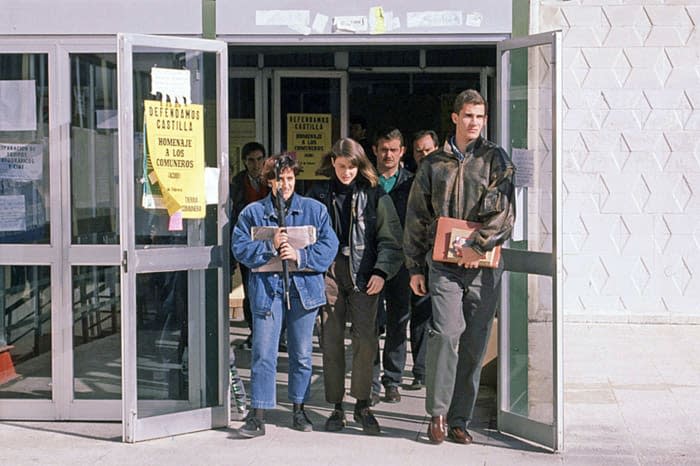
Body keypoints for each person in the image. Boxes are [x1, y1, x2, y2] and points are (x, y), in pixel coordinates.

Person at [404, 89, 515, 445]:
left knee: (474, 342)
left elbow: (506, 214)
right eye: (468, 115)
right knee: (447, 333)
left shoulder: (496, 159)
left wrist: (478, 246)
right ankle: (437, 411)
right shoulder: (433, 163)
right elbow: (417, 218)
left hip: (483, 265)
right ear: (455, 117)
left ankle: (459, 418)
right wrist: (415, 268)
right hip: (443, 266)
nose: (474, 123)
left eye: (480, 117)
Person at [231, 153, 339, 438]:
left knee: (302, 354)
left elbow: (330, 246)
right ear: (270, 182)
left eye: (290, 178)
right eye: (280, 179)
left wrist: (301, 256)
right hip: (268, 291)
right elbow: (239, 247)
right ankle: (259, 413)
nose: (286, 184)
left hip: (303, 291)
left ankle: (299, 408)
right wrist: (269, 246)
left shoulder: (315, 210)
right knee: (264, 352)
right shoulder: (251, 213)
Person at [306, 138, 403, 435]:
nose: (346, 172)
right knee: (331, 339)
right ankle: (336, 406)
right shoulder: (318, 194)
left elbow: (392, 240)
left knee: (365, 340)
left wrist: (381, 272)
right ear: (332, 163)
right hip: (329, 271)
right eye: (341, 166)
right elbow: (306, 234)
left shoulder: (375, 195)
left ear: (360, 165)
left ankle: (363, 403)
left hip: (364, 272)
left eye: (351, 166)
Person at [370, 127, 413, 404]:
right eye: (384, 149)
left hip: (404, 261)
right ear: (375, 150)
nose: (388, 155)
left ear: (402, 152)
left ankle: (392, 379)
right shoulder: (365, 180)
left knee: (399, 320)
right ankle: (371, 381)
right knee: (370, 323)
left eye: (393, 150)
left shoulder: (413, 182)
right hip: (370, 260)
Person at [404, 129, 440, 391]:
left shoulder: (448, 178)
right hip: (419, 257)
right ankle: (420, 370)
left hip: (446, 258)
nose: (424, 154)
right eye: (419, 150)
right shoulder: (409, 184)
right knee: (419, 314)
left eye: (428, 149)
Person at [230, 142, 269, 349]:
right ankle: (254, 333)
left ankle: (275, 335)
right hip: (249, 245)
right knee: (250, 289)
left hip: (271, 243)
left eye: (259, 159)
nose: (256, 164)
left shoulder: (271, 181)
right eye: (251, 160)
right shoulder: (238, 183)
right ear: (245, 161)